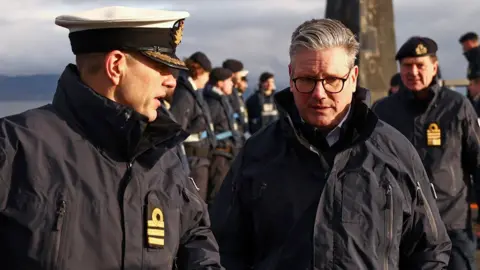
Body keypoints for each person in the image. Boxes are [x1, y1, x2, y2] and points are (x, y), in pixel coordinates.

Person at [211, 19, 451, 270]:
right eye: (307, 79)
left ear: (353, 77)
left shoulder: (395, 152)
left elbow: (429, 249)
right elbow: (224, 248)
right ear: (291, 77)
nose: (319, 93)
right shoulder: (257, 153)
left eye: (332, 80)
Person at [0, 6, 223, 269]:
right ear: (116, 66)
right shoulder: (15, 145)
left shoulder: (162, 149)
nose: (172, 81)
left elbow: (194, 234)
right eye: (162, 66)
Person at [373, 36, 480, 270]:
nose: (413, 72)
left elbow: (476, 160)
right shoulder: (383, 111)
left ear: (434, 66)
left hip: (452, 223)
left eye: (420, 65)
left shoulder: (457, 106)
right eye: (407, 66)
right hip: (401, 228)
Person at [170, 51, 217, 202]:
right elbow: (175, 132)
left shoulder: (194, 94)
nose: (208, 79)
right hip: (193, 163)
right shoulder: (185, 96)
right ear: (199, 72)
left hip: (200, 161)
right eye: (207, 74)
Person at [203, 67, 239, 206]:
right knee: (217, 196)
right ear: (219, 83)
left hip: (227, 154)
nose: (232, 84)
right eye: (229, 81)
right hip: (219, 156)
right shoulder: (213, 103)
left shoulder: (222, 100)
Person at [222, 59, 250, 140]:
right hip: (231, 140)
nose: (241, 77)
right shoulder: (227, 94)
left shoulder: (236, 93)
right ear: (233, 74)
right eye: (240, 74)